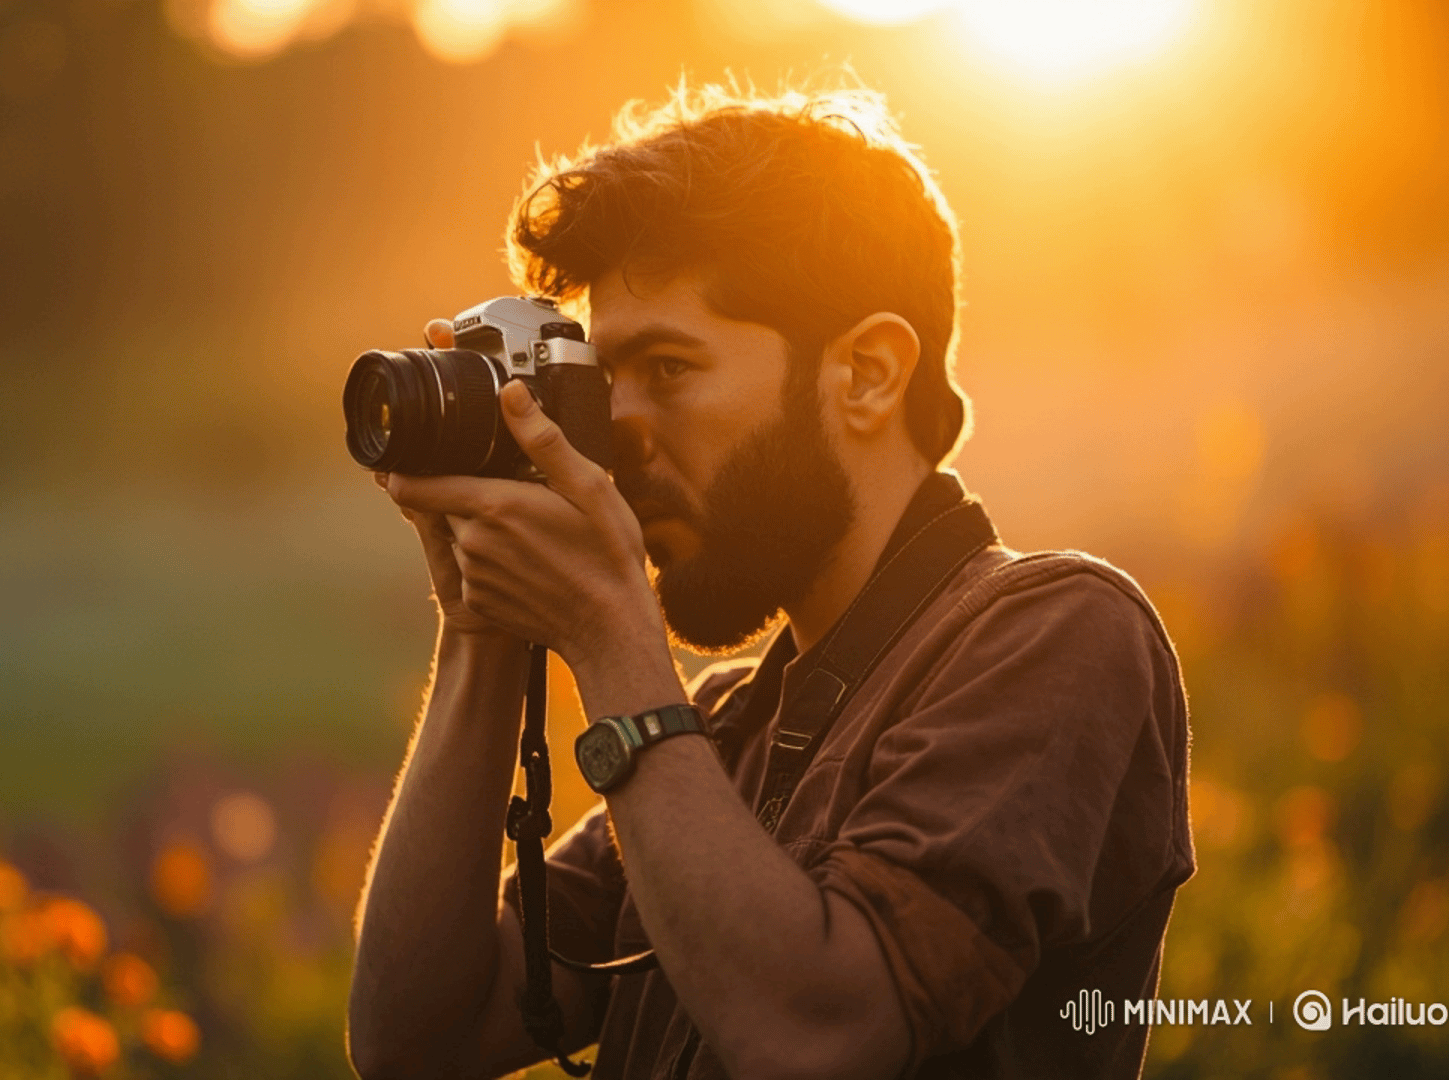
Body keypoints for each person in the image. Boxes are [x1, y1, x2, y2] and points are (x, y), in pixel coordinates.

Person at [345, 81, 1193, 1080]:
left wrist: (612, 635)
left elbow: (818, 1037)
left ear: (868, 373)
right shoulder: (723, 737)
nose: (618, 437)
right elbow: (416, 1038)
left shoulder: (1057, 633)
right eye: (602, 382)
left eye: (667, 368)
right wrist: (482, 625)